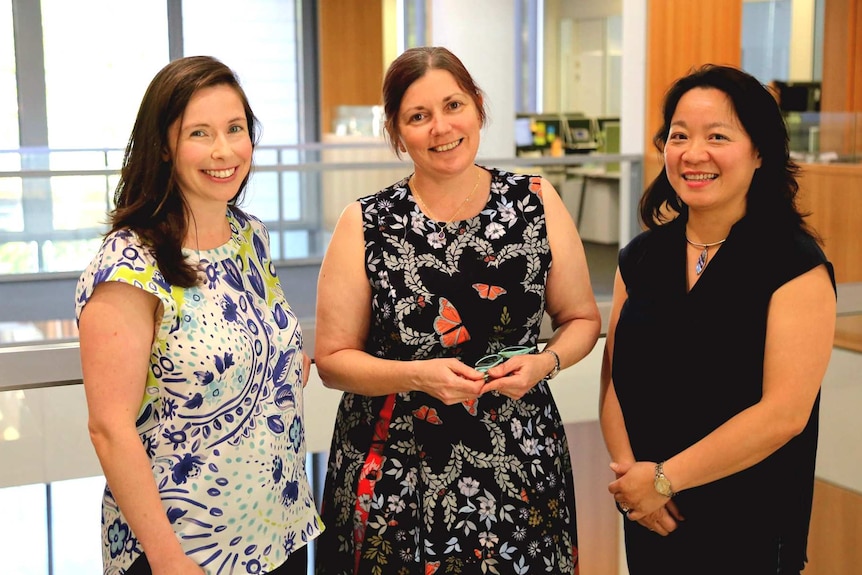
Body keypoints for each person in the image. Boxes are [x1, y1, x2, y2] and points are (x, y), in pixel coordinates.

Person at [313, 46, 601, 575]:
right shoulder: (366, 222)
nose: (441, 127)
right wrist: (416, 375)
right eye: (418, 116)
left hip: (518, 457)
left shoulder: (535, 200)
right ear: (398, 133)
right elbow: (332, 361)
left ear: (478, 107)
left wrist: (545, 363)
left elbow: (581, 319)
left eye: (453, 105)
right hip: (396, 469)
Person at [75, 55, 323, 575]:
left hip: (278, 530)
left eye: (236, 129)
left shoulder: (249, 235)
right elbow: (109, 428)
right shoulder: (129, 265)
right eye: (200, 133)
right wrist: (169, 562)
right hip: (185, 551)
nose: (224, 150)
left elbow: (254, 342)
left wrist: (277, 362)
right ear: (164, 147)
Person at [599, 64, 837, 575]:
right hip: (650, 512)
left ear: (759, 153)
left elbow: (783, 414)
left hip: (749, 516)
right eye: (679, 136)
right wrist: (634, 484)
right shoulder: (639, 258)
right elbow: (614, 382)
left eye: (717, 136)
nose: (693, 153)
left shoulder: (794, 265)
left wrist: (664, 478)